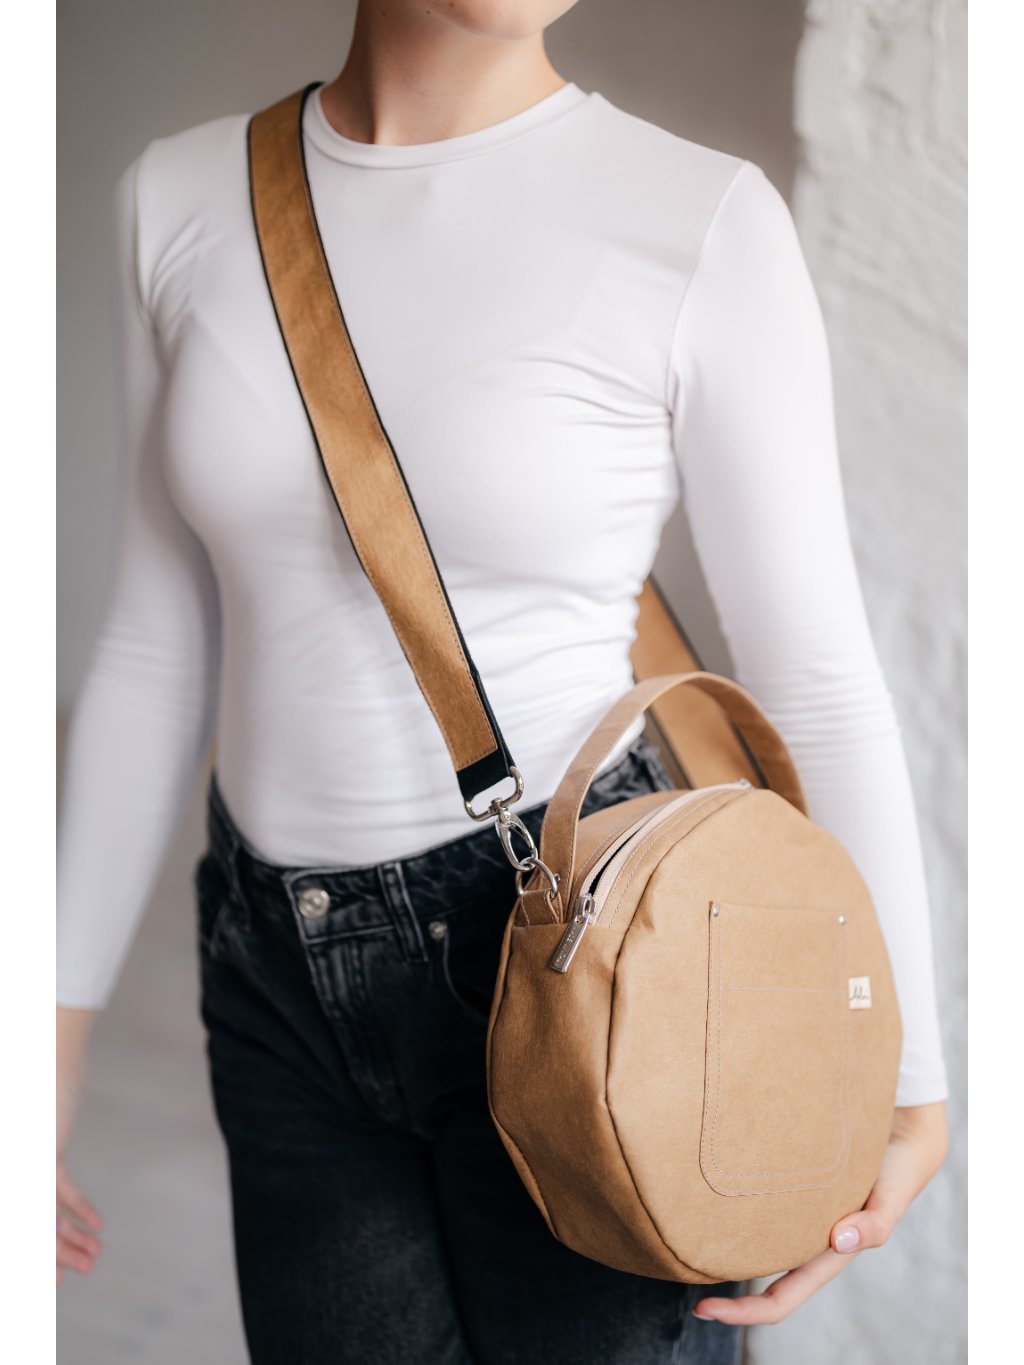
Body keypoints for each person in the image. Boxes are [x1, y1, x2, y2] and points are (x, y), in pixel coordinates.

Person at [56, 2, 950, 1361]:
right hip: (272, 972)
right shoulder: (175, 200)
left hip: (595, 953)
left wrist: (905, 1076)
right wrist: (48, 1035)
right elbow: (156, 646)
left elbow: (815, 681)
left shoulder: (698, 218)